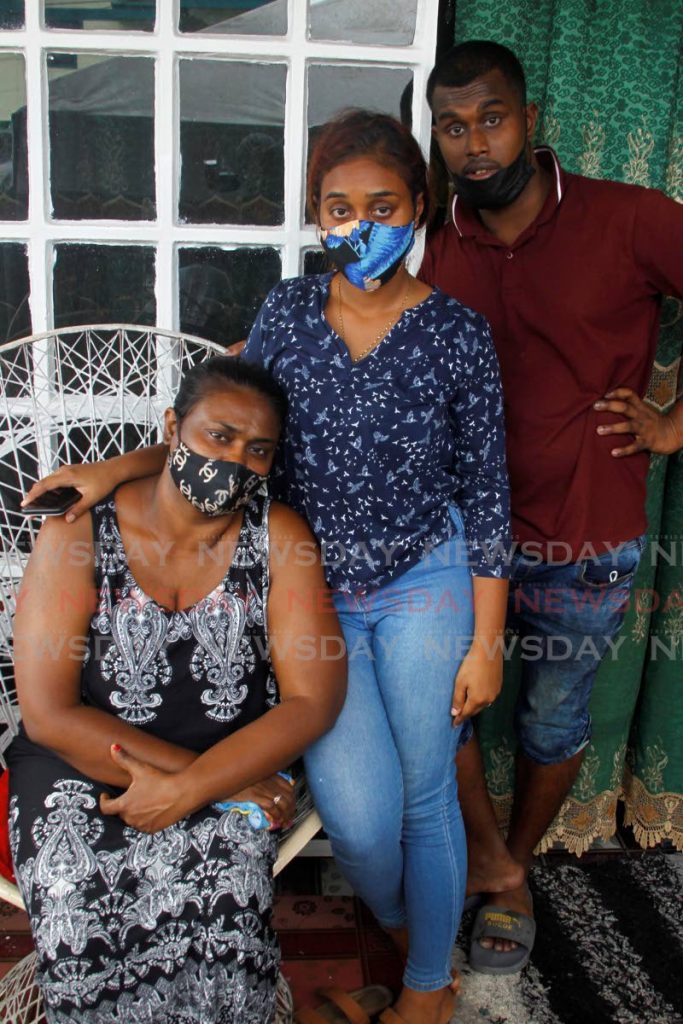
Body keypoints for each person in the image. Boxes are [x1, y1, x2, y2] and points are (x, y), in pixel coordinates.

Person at [23, 110, 512, 1024]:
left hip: (423, 579)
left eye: (382, 206)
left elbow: (486, 492)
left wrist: (486, 640)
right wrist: (113, 470)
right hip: (311, 586)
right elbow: (220, 421)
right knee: (360, 818)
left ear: (421, 208)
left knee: (421, 792)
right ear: (316, 216)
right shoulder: (287, 311)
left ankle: (428, 984)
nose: (358, 226)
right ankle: (415, 920)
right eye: (337, 208)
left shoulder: (457, 333)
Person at [422, 39, 683, 973]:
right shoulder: (428, 233)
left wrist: (670, 423)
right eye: (452, 127)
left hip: (584, 532)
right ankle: (486, 860)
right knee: (436, 713)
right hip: (453, 538)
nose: (473, 144)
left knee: (550, 720)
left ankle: (510, 866)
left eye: (490, 119)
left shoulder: (628, 218)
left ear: (531, 124)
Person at [9, 356, 346, 1024]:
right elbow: (48, 714)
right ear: (172, 427)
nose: (234, 460)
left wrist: (197, 788)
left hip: (229, 761)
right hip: (81, 763)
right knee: (73, 892)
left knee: (226, 892)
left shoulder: (278, 537)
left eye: (257, 450)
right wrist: (206, 781)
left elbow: (316, 698)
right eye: (217, 436)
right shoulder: (79, 531)